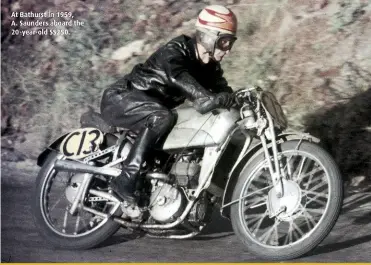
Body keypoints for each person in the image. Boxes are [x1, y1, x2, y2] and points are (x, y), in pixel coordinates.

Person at [100, 5, 238, 203]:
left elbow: (222, 88)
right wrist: (204, 98)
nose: (228, 50)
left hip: (149, 109)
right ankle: (127, 179)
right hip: (121, 98)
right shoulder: (176, 50)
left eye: (230, 43)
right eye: (224, 42)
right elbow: (177, 75)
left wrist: (237, 100)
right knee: (163, 117)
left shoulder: (210, 68)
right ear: (209, 36)